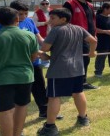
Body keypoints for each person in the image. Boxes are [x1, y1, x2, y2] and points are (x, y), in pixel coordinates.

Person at [37, 8, 97, 136]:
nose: (50, 21)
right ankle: (83, 118)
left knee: (53, 97)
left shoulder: (56, 30)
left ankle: (50, 127)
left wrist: (44, 53)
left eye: (53, 18)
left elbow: (44, 48)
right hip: (78, 68)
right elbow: (93, 40)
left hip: (59, 70)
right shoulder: (79, 28)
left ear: (63, 19)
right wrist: (92, 52)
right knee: (78, 92)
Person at [0, 0, 59, 120]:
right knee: (18, 94)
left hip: (34, 62)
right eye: (20, 14)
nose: (23, 16)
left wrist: (47, 47)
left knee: (39, 87)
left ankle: (44, 111)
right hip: (17, 64)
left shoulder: (29, 21)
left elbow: (38, 36)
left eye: (25, 13)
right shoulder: (3, 24)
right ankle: (15, 121)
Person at [0, 7, 40, 136]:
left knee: (5, 110)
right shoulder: (29, 35)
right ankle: (18, 133)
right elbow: (33, 57)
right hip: (24, 76)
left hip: (1, 78)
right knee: (21, 106)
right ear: (16, 19)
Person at [63, 0, 98, 90]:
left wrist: (94, 34)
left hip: (88, 37)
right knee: (75, 60)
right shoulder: (69, 4)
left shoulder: (90, 6)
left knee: (85, 60)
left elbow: (92, 21)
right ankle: (73, 82)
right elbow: (65, 21)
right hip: (75, 37)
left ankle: (82, 82)